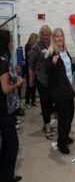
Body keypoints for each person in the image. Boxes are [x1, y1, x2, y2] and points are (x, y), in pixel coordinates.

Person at [45, 28, 75, 154]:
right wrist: (52, 63)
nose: (59, 38)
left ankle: (65, 136)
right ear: (53, 39)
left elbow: (69, 68)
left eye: (61, 36)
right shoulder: (51, 53)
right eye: (56, 36)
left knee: (70, 115)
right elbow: (48, 71)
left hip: (68, 89)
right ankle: (61, 143)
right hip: (59, 91)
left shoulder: (64, 52)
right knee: (64, 118)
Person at [0, 29, 23, 182]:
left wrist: (12, 73)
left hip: (4, 109)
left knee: (6, 144)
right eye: (9, 41)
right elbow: (5, 88)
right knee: (13, 144)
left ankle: (3, 174)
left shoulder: (3, 60)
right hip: (4, 111)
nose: (11, 43)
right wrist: (19, 82)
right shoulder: (1, 62)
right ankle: (7, 177)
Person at [29, 25, 55, 139]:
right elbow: (31, 66)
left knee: (51, 103)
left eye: (48, 35)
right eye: (44, 35)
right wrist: (31, 80)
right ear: (41, 35)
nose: (46, 37)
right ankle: (48, 127)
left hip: (52, 80)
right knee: (45, 103)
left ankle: (46, 123)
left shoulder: (52, 45)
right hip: (41, 80)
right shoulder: (36, 47)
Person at [24, 33, 38, 108]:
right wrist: (34, 50)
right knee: (29, 86)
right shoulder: (28, 46)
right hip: (29, 69)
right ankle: (26, 102)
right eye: (36, 39)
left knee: (34, 86)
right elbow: (28, 55)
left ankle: (33, 101)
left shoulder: (34, 46)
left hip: (35, 69)